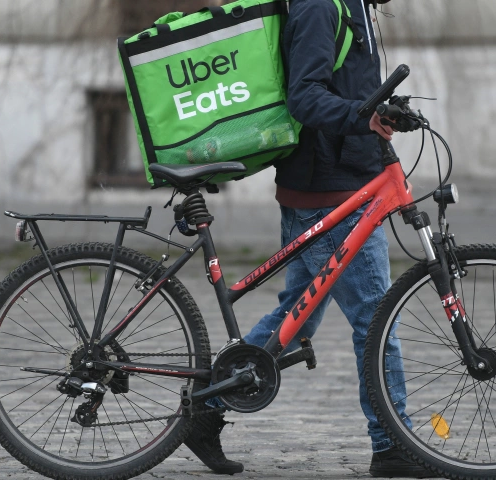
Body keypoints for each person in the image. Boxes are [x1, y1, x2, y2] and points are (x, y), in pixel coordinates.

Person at [185, 0, 432, 477]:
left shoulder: (351, 4)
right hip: (330, 190)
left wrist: (378, 115)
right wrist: (363, 118)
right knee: (376, 320)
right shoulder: (323, 4)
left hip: (336, 180)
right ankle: (393, 446)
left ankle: (207, 409)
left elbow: (349, 89)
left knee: (296, 317)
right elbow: (305, 95)